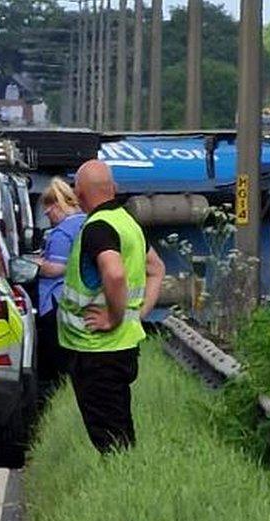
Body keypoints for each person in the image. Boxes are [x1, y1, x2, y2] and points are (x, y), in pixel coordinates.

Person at [57, 160, 165, 454]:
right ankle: (127, 481)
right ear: (113, 189)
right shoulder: (128, 222)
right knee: (120, 430)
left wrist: (113, 317)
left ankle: (128, 487)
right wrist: (138, 312)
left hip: (97, 350)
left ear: (78, 194)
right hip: (122, 348)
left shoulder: (97, 228)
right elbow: (156, 269)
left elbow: (114, 272)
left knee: (111, 441)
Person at [34, 178, 85, 401]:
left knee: (55, 363)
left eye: (48, 210)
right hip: (80, 301)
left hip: (55, 302)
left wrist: (36, 265)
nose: (48, 215)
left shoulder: (62, 233)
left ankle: (55, 401)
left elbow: (56, 268)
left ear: (58, 205)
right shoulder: (87, 222)